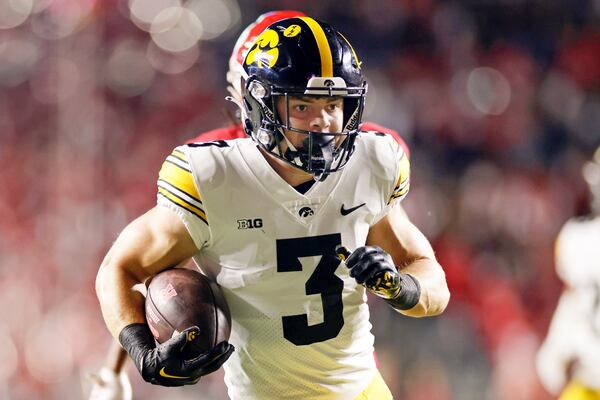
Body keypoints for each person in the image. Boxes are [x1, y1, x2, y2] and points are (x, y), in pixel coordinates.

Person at [96, 16, 449, 399]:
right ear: (258, 106)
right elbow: (121, 267)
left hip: (361, 390)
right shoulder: (211, 178)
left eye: (333, 104)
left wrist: (401, 288)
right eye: (302, 105)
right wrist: (141, 350)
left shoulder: (372, 162)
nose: (323, 123)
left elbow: (432, 282)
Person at [536, 146, 600, 400]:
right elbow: (574, 303)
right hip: (587, 383)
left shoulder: (579, 240)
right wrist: (559, 351)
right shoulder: (578, 240)